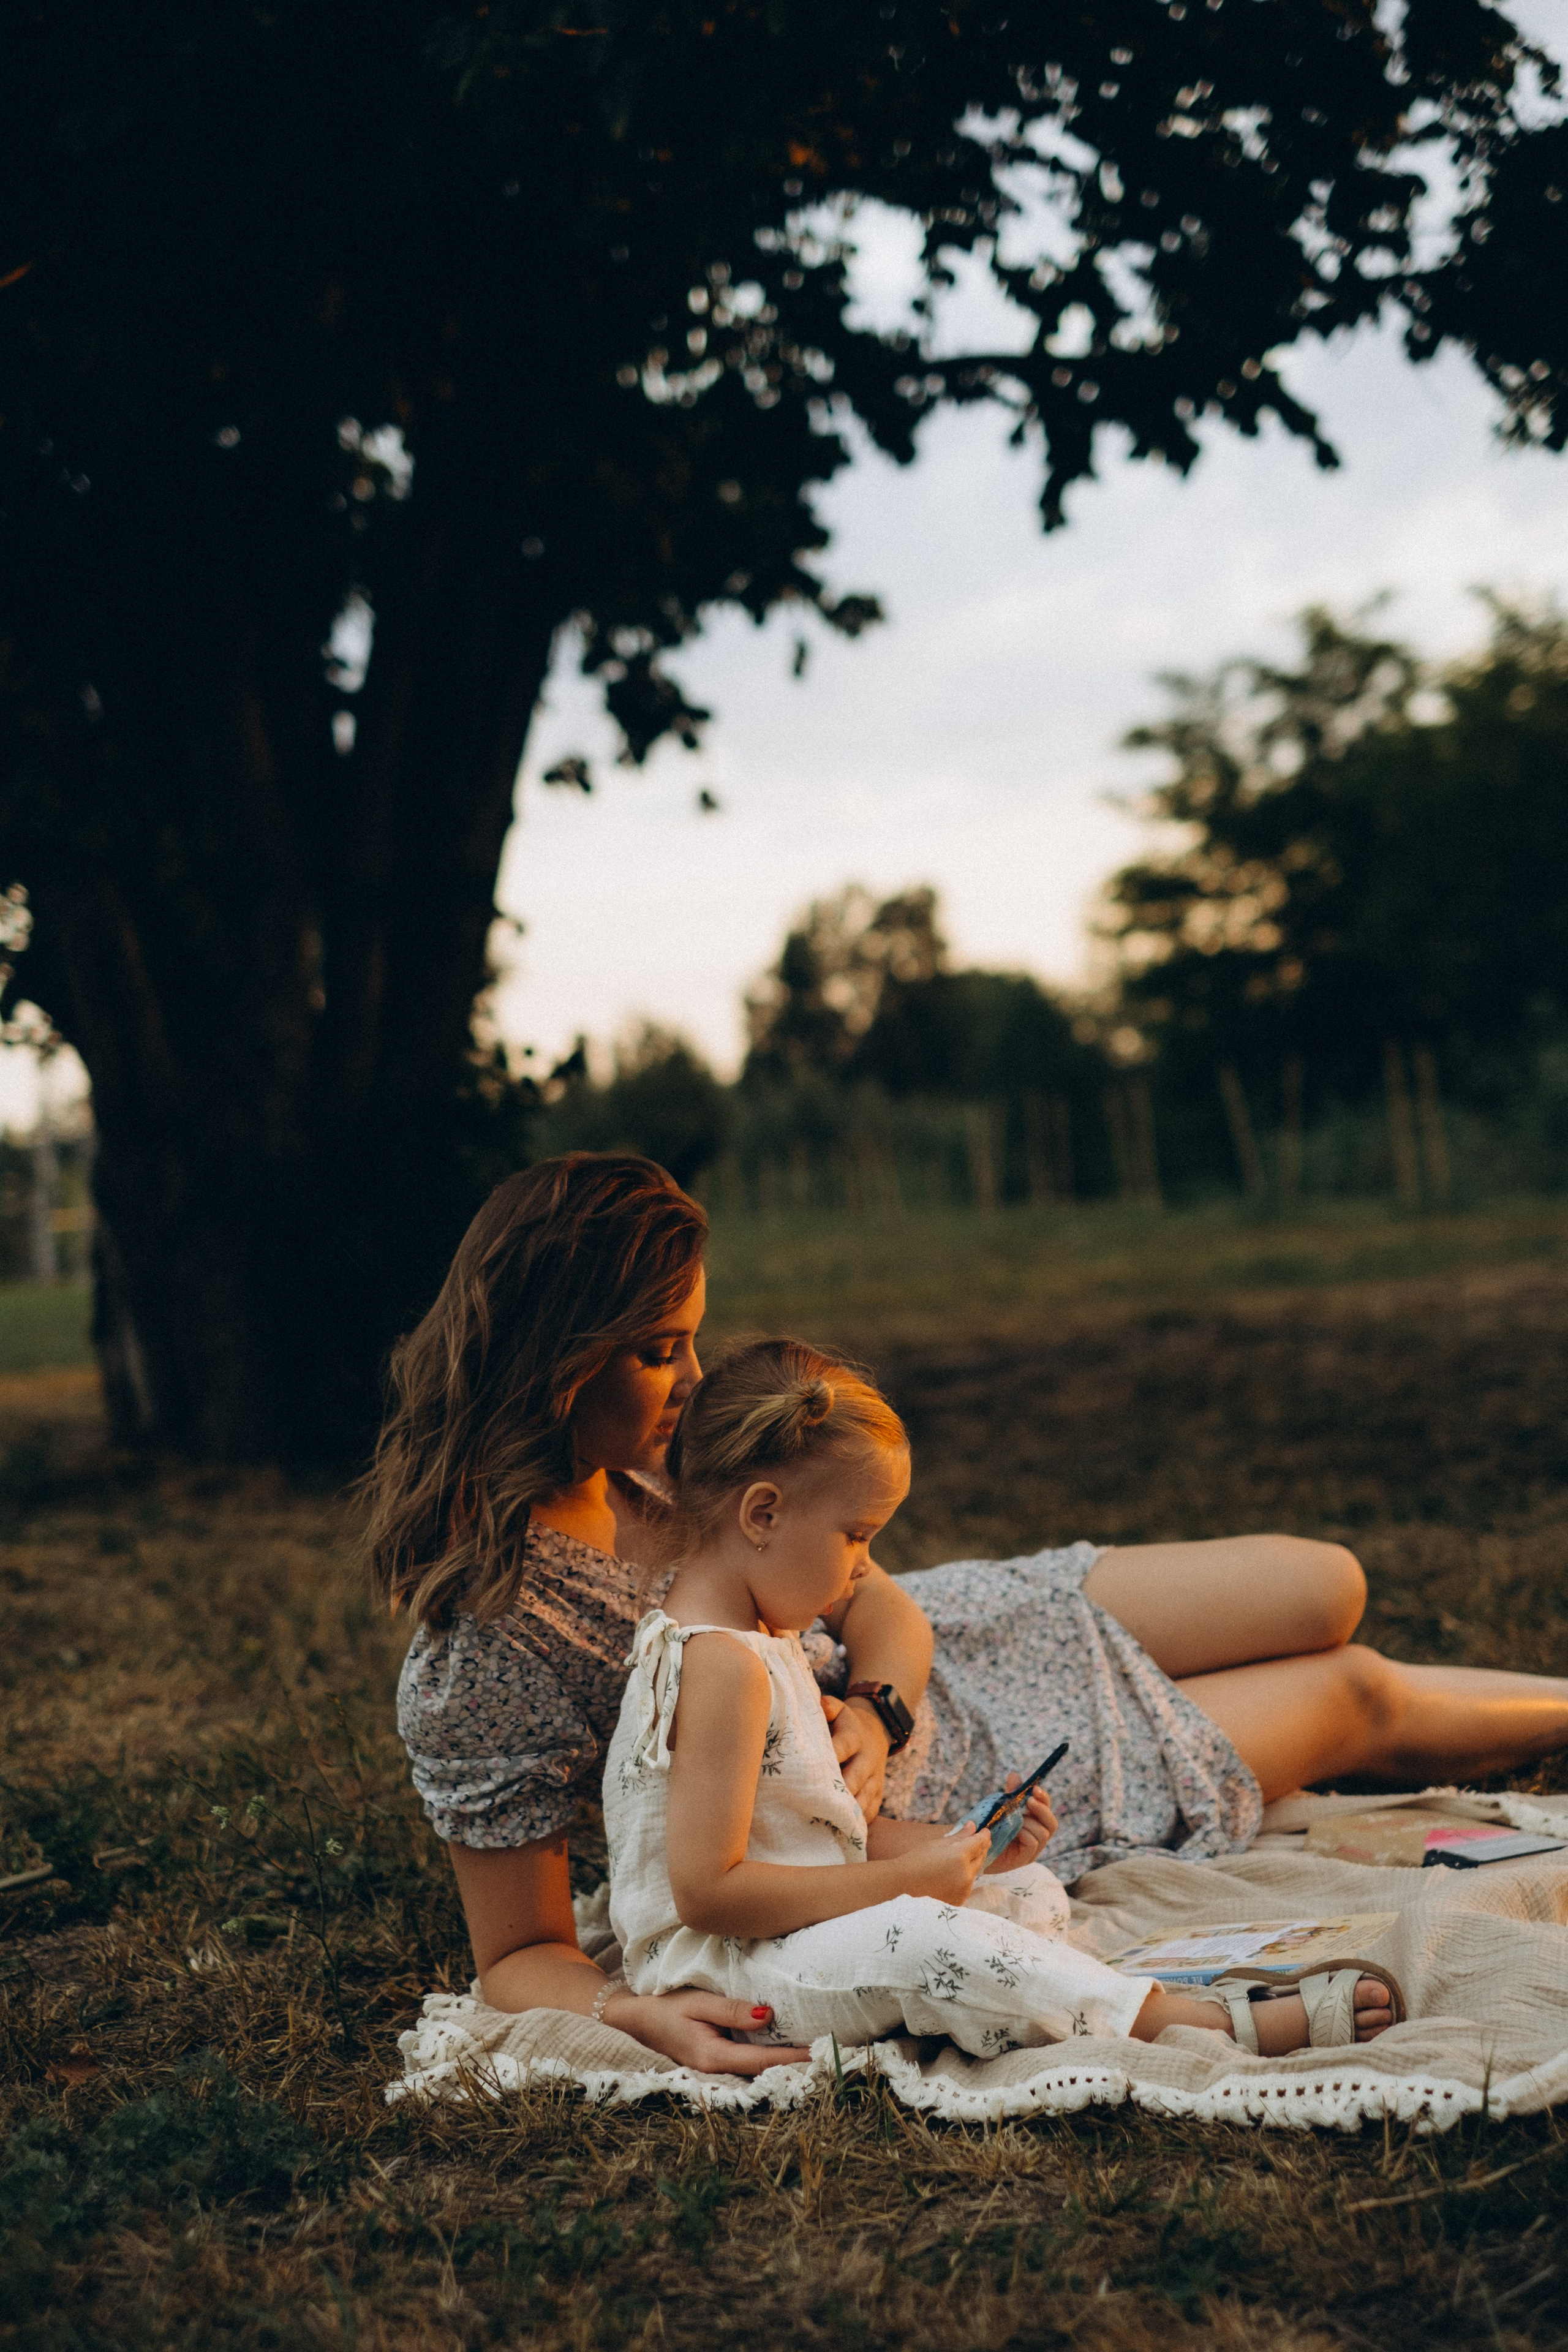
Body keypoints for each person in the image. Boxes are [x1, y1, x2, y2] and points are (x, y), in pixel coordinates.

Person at [371, 1153, 1568, 2074]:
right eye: (657, 1351)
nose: (690, 1383)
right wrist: (633, 2010)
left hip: (968, 1644)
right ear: (556, 1359)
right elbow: (518, 1957)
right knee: (1354, 1696)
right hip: (944, 1798)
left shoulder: (648, 1458)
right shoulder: (488, 1640)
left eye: (688, 1344)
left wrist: (881, 1709)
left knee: (1324, 1584)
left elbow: (874, 1592)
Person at [602, 1335, 1396, 2059]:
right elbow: (708, 1894)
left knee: (1026, 1891)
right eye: (856, 1536)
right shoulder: (722, 1665)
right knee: (928, 1941)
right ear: (763, 1514)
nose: (860, 1571)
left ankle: (1050, 1990)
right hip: (724, 1971)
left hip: (791, 1925)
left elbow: (818, 1837)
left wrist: (962, 1845)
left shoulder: (765, 1641)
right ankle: (1203, 2024)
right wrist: (908, 1886)